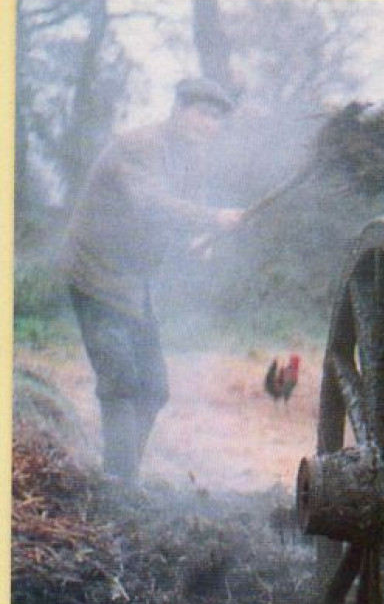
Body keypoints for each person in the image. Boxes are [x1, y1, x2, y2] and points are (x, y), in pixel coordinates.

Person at [61, 77, 247, 486]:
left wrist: (199, 240)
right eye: (202, 112)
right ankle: (118, 483)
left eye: (216, 118)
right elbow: (149, 205)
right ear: (178, 108)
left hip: (133, 282)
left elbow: (178, 217)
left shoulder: (191, 159)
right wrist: (212, 219)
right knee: (121, 381)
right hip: (96, 275)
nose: (208, 124)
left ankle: (123, 476)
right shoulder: (139, 146)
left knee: (154, 388)